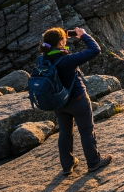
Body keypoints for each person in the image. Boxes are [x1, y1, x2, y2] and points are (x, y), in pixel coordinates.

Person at [39, 27, 112, 175]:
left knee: (65, 133)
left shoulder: (42, 59)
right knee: (86, 131)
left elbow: (53, 52)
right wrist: (83, 35)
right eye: (63, 39)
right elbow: (95, 50)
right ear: (61, 42)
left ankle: (67, 165)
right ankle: (94, 162)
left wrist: (60, 41)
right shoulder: (67, 60)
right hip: (77, 100)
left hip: (58, 103)